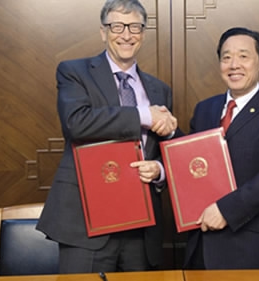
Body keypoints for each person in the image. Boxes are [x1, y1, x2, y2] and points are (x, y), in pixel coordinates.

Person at [36, 0, 177, 273]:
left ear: (143, 34)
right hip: (86, 225)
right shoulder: (74, 72)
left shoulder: (160, 90)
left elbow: (166, 149)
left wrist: (160, 169)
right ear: (103, 32)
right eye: (117, 26)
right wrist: (143, 116)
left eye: (135, 27)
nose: (126, 34)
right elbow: (76, 123)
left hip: (141, 227)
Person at [184, 27, 259, 269]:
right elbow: (192, 161)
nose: (233, 64)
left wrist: (226, 210)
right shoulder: (204, 109)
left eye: (243, 56)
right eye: (226, 57)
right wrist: (167, 136)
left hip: (248, 247)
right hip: (200, 243)